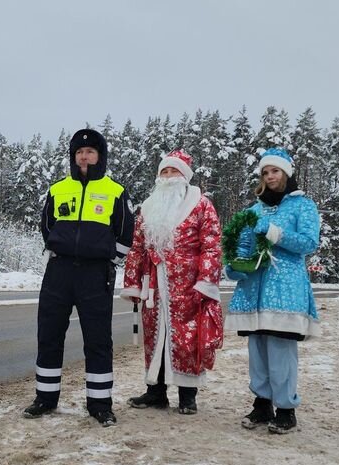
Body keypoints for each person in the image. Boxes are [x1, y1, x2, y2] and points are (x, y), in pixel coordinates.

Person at [23, 128, 135, 427]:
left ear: (100, 156)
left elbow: (126, 233)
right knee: (48, 336)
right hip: (58, 272)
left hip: (95, 275)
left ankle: (99, 405)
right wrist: (59, 247)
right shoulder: (59, 189)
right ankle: (45, 399)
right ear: (73, 157)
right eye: (79, 152)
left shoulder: (115, 191)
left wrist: (110, 259)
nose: (84, 156)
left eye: (90, 152)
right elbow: (47, 226)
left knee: (98, 341)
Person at [120, 149, 224, 415]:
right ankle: (156, 392)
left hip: (187, 286)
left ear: (185, 176)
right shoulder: (148, 207)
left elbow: (211, 246)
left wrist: (205, 282)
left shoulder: (201, 205)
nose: (168, 177)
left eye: (173, 171)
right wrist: (132, 283)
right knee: (155, 338)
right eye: (164, 171)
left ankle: (187, 396)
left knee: (187, 339)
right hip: (154, 285)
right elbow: (137, 247)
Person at [225, 147, 321, 434]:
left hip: (286, 289)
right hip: (254, 289)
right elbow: (242, 245)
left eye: (275, 171)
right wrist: (234, 265)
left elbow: (308, 243)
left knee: (281, 350)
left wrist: (275, 233)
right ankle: (262, 403)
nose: (270, 176)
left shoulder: (303, 206)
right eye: (265, 172)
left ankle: (286, 409)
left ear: (286, 172)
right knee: (258, 350)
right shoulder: (253, 211)